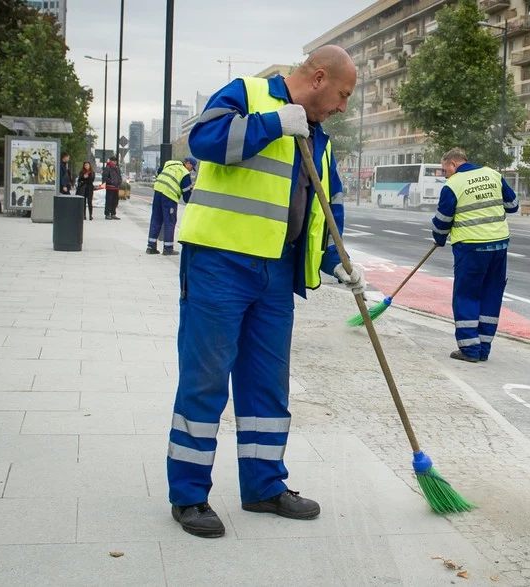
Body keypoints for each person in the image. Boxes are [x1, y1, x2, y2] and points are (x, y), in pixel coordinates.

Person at [166, 45, 361, 538]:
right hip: (219, 264)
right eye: (341, 95)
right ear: (318, 78)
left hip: (277, 273)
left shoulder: (320, 138)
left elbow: (325, 205)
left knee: (267, 386)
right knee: (205, 381)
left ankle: (263, 486)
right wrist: (275, 123)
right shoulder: (248, 94)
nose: (342, 107)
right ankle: (189, 497)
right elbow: (203, 140)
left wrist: (337, 262)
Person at [430, 148, 518, 363]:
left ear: (452, 163)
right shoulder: (493, 174)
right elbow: (512, 205)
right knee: (491, 294)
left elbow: (442, 220)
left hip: (471, 247)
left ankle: (470, 349)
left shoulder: (453, 185)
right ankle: (484, 348)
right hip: (498, 246)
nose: (445, 175)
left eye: (445, 170)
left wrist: (439, 238)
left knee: (467, 295)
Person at [146, 157, 196, 256]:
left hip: (158, 192)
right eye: (192, 167)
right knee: (169, 221)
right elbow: (186, 197)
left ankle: (151, 246)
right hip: (169, 196)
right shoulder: (184, 173)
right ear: (188, 163)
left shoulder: (169, 164)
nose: (191, 170)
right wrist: (191, 190)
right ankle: (168, 248)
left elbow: (159, 171)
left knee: (156, 219)